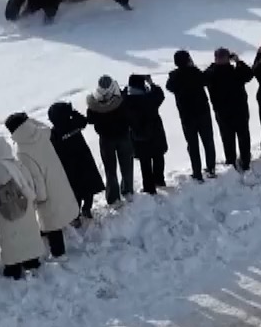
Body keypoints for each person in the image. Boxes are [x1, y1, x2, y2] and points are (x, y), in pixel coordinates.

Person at [7, 112, 77, 256]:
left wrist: (41, 197)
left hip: (46, 188)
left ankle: (58, 254)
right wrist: (29, 122)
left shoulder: (22, 150)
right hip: (57, 178)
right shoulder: (40, 133)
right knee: (61, 208)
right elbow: (46, 128)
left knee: (52, 221)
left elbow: (36, 177)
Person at [0, 137, 45, 279]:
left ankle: (13, 267)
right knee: (28, 234)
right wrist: (33, 201)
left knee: (10, 240)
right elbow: (30, 184)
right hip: (24, 208)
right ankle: (31, 260)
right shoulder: (19, 167)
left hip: (3, 215)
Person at [44, 102, 105, 221]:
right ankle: (86, 209)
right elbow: (83, 121)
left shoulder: (54, 133)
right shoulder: (73, 123)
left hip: (69, 167)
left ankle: (75, 215)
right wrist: (72, 112)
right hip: (84, 161)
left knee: (74, 192)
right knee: (88, 188)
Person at [167, 50, 218, 181]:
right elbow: (206, 80)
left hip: (186, 115)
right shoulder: (195, 72)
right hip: (203, 112)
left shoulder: (174, 77)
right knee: (208, 141)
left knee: (192, 144)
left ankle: (197, 172)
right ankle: (211, 168)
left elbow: (169, 86)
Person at [85, 76, 134, 204]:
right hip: (123, 136)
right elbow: (130, 115)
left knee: (110, 169)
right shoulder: (122, 99)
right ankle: (127, 190)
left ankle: (113, 197)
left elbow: (90, 119)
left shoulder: (95, 104)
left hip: (106, 140)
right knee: (127, 165)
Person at [206, 48, 256, 173]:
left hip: (222, 112)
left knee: (227, 138)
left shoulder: (212, 74)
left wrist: (214, 65)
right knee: (243, 136)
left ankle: (231, 161)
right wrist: (238, 61)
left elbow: (203, 77)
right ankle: (245, 162)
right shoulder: (235, 72)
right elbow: (249, 74)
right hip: (240, 110)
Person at [123, 74, 170, 194]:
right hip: (155, 133)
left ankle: (149, 187)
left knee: (145, 162)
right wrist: (151, 83)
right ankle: (159, 179)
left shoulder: (126, 101)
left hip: (138, 136)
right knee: (158, 156)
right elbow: (160, 95)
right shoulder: (150, 98)